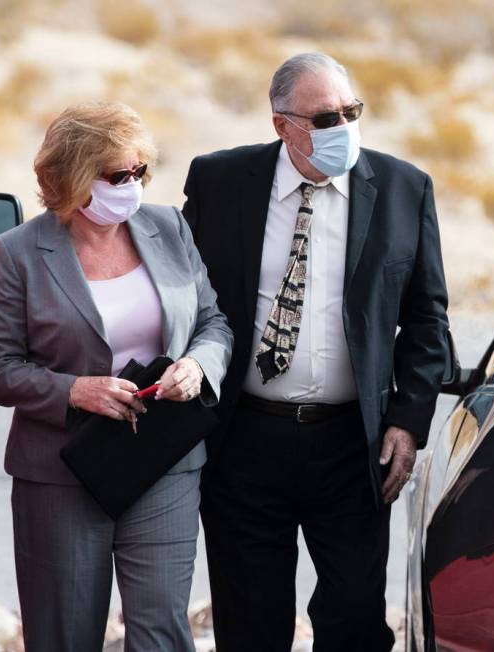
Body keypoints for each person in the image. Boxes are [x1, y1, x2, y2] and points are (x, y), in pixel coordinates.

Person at [182, 52, 449, 651]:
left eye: (352, 112)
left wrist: (408, 423)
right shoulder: (219, 183)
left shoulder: (404, 189)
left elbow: (427, 319)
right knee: (250, 622)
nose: (345, 128)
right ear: (282, 124)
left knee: (354, 619)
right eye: (326, 118)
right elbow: (182, 298)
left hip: (351, 446)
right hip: (244, 441)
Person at [0, 102, 232, 652]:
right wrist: (74, 390)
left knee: (161, 630)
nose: (133, 185)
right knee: (64, 633)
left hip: (164, 459)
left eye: (141, 172)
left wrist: (197, 366)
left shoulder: (169, 227)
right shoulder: (17, 253)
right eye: (119, 175)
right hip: (61, 472)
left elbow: (212, 323)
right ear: (72, 176)